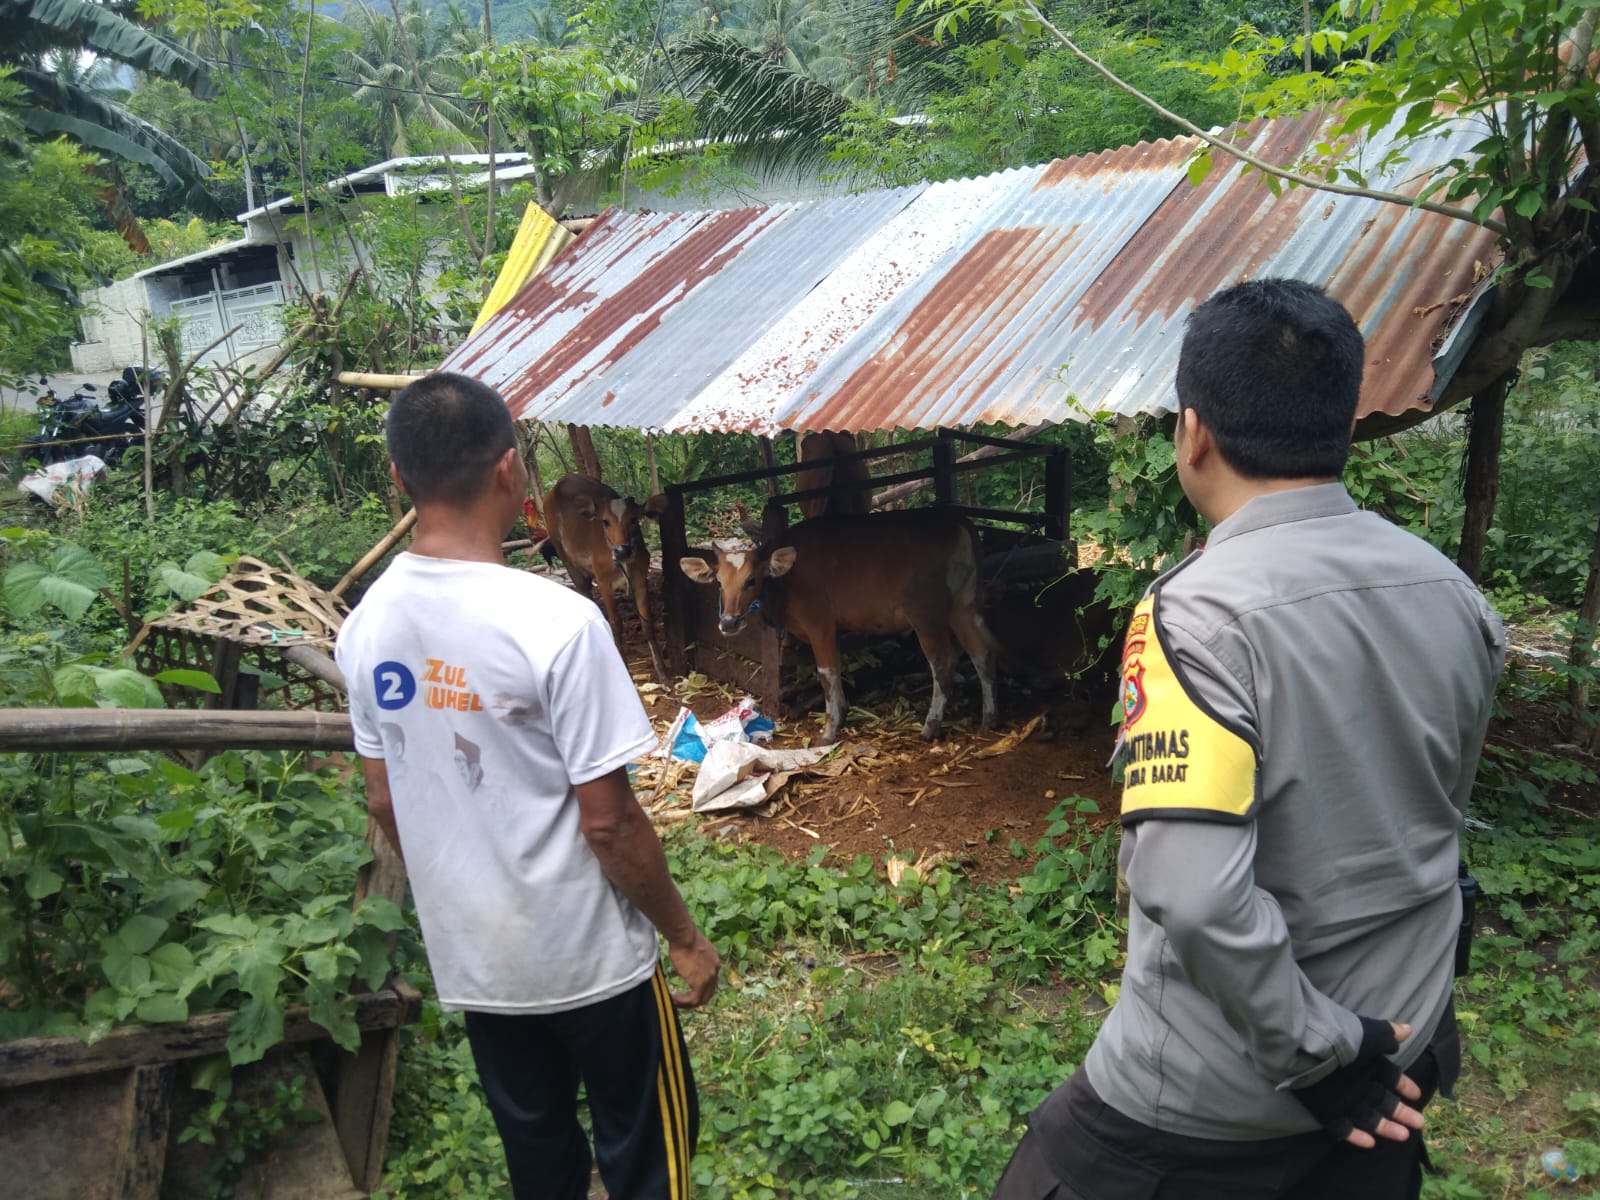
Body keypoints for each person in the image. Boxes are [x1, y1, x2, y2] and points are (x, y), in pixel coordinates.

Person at [992, 279, 1505, 1200]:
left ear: (1193, 433)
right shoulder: (1454, 594)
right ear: (1342, 423)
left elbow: (1192, 895)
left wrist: (1321, 1055)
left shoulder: (1197, 614)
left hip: (1221, 1098)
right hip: (1399, 1058)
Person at [335, 372, 721, 1200]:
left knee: (538, 1156)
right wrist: (685, 938)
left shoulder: (364, 628)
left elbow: (382, 800)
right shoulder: (556, 621)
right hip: (594, 963)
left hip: (481, 961)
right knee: (648, 1151)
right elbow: (611, 823)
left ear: (398, 479)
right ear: (511, 472)